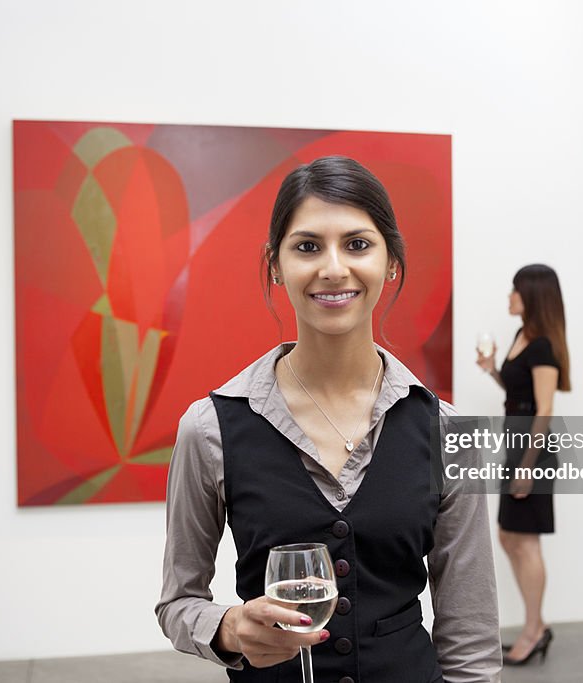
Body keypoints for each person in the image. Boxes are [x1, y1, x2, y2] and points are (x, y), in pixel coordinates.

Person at [156, 156, 503, 682]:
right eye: (308, 246)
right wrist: (228, 627)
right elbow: (177, 602)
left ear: (391, 263)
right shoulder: (209, 428)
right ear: (275, 264)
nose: (334, 268)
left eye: (358, 244)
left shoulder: (448, 433)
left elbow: (471, 638)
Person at [475, 264, 571, 666]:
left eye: (515, 291)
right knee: (509, 537)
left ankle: (534, 630)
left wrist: (528, 467)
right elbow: (518, 394)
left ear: (532, 296)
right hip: (516, 446)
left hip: (534, 449)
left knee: (525, 541)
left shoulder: (544, 346)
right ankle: (537, 624)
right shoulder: (521, 337)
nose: (509, 297)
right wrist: (493, 369)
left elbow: (544, 408)